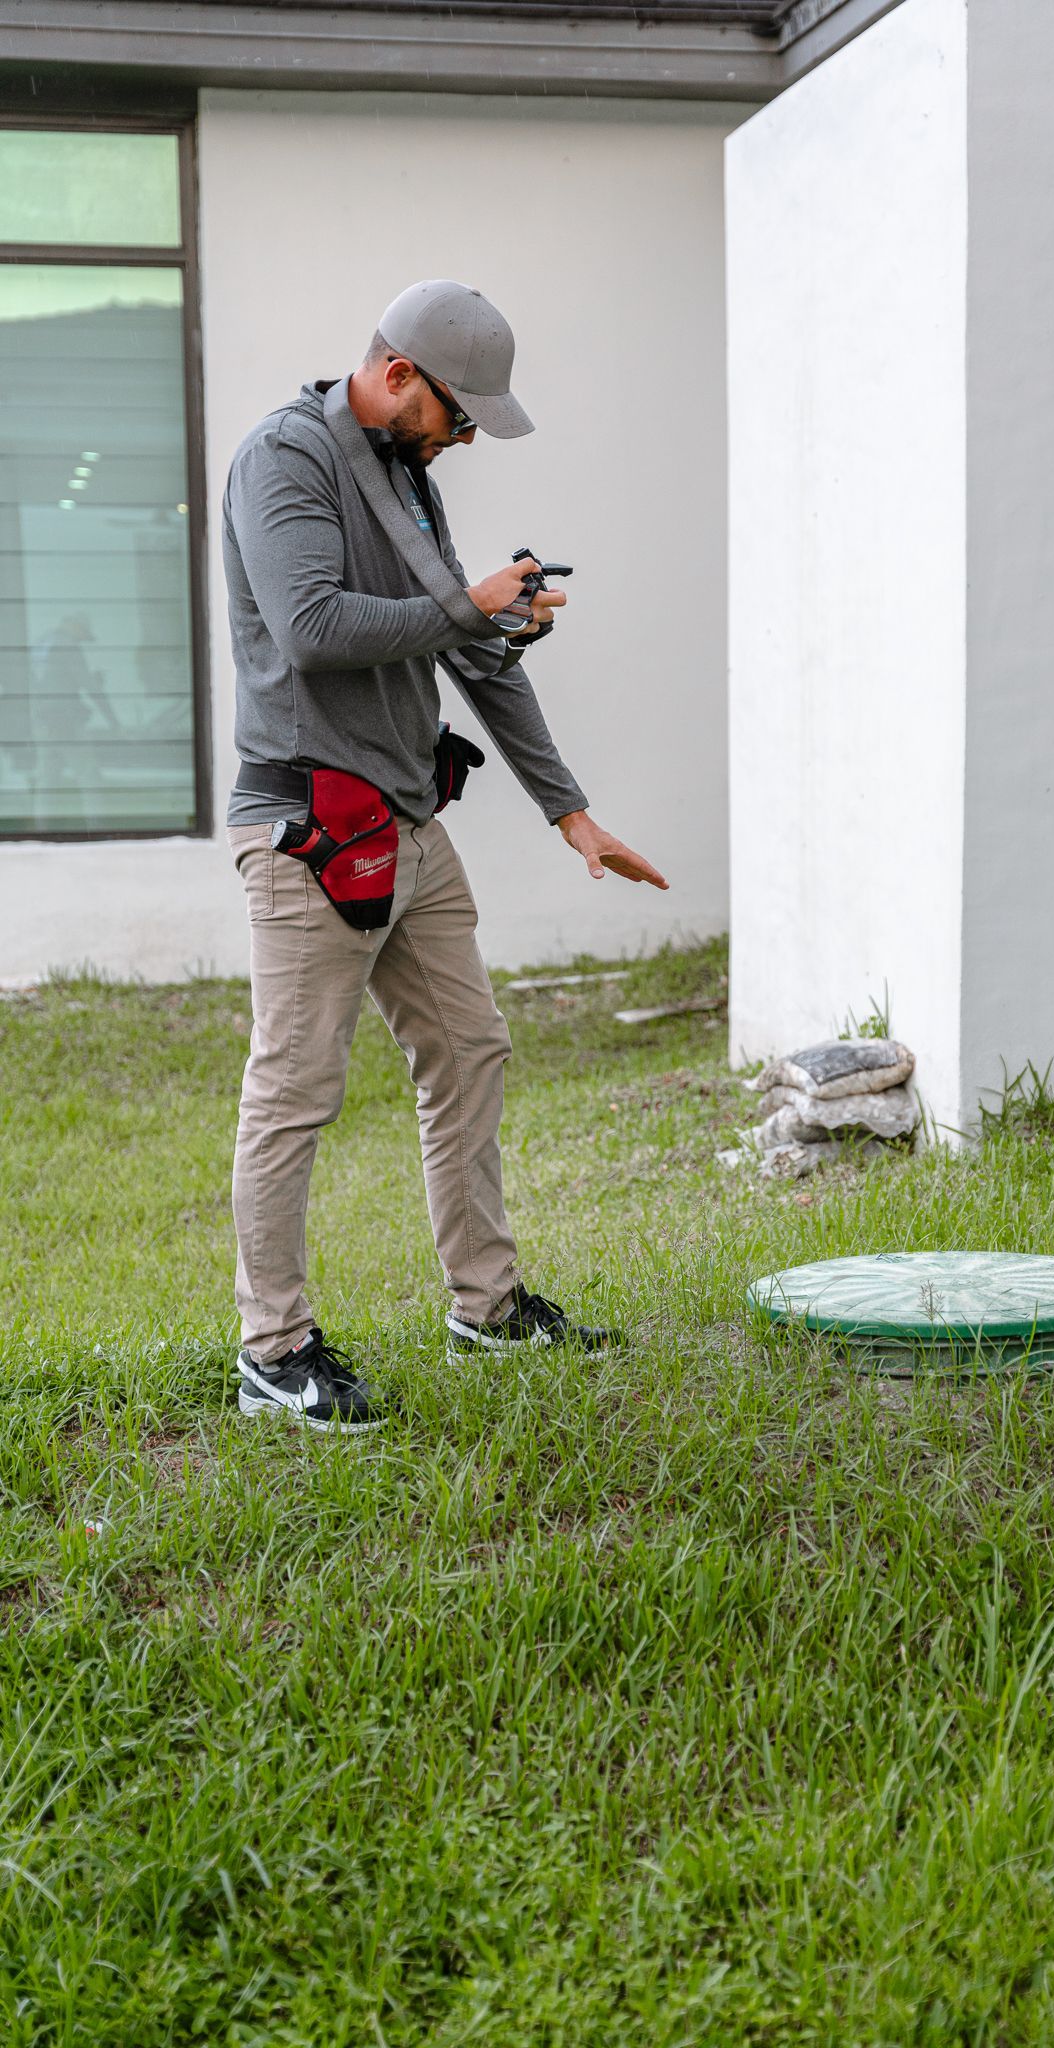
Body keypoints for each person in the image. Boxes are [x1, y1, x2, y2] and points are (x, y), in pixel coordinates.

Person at [222, 278, 667, 1434]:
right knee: (293, 1092)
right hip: (309, 830)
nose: (463, 440)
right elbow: (314, 628)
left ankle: (488, 1303)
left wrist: (569, 812)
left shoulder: (406, 478)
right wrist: (471, 604)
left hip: (411, 826)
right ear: (399, 373)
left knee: (470, 1048)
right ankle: (273, 1350)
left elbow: (472, 652)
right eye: (458, 416)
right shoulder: (287, 461)